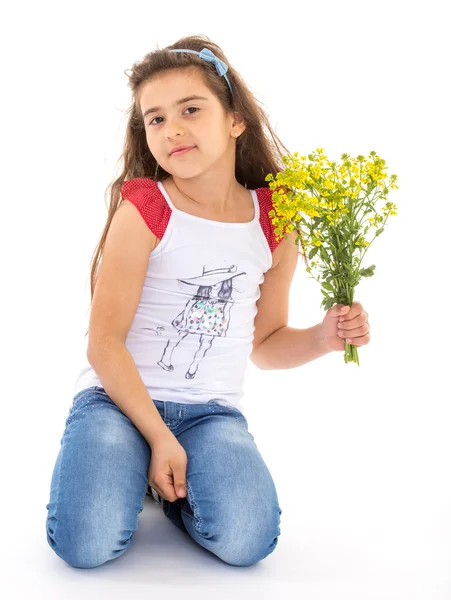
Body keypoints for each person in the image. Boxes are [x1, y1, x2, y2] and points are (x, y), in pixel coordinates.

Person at [45, 35, 371, 570]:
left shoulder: (273, 218)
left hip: (210, 415)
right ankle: (134, 460)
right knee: (86, 544)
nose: (172, 128)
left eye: (190, 110)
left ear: (235, 120)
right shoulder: (148, 206)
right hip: (118, 404)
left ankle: (168, 490)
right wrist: (155, 434)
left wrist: (323, 337)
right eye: (155, 119)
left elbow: (264, 344)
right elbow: (103, 343)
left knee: (247, 541)